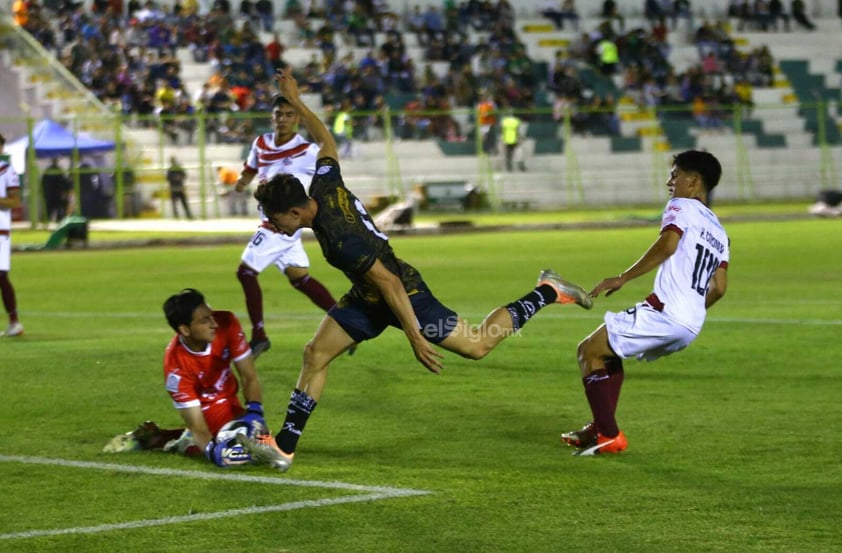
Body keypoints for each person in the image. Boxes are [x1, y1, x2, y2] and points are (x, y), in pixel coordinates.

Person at [236, 70, 594, 472]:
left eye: (275, 217)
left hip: (405, 294)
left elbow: (389, 283)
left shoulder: (339, 239)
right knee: (315, 354)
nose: (273, 224)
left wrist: (414, 336)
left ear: (296, 211)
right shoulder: (324, 183)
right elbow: (327, 141)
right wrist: (298, 102)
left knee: (477, 344)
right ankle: (284, 447)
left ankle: (547, 290)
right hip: (368, 294)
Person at [560, 150, 729, 456]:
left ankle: (608, 435)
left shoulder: (681, 205)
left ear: (692, 182)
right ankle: (600, 427)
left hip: (666, 312)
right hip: (691, 324)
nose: (669, 181)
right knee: (608, 353)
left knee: (588, 351)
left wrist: (622, 277)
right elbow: (719, 288)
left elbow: (668, 244)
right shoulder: (719, 231)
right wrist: (691, 311)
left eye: (675, 174)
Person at [103, 289, 269, 468]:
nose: (214, 324)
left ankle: (165, 436)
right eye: (205, 320)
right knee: (239, 447)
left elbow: (249, 375)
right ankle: (172, 441)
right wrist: (214, 453)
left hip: (229, 401)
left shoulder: (227, 323)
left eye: (211, 315)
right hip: (204, 410)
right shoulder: (176, 368)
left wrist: (255, 414)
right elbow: (198, 425)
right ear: (185, 329)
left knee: (260, 438)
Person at [233, 94, 340, 357]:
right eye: (278, 114)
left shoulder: (308, 151)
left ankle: (259, 336)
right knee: (300, 279)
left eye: (288, 115)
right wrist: (240, 183)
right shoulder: (261, 143)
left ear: (298, 119)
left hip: (282, 224)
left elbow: (327, 180)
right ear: (272, 116)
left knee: (246, 273)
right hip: (274, 221)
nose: (282, 119)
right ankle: (345, 319)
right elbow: (250, 170)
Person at [0, 133, 23, 337]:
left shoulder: (6, 170)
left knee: (0, 275)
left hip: (0, 231)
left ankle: (14, 322)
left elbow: (14, 202)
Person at [42, 157, 71, 222]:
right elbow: (64, 182)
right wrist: (65, 192)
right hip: (57, 193)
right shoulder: (59, 170)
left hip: (50, 193)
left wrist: (45, 192)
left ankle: (46, 221)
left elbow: (43, 182)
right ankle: (59, 221)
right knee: (59, 209)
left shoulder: (48, 170)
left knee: (49, 210)